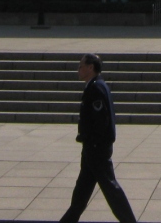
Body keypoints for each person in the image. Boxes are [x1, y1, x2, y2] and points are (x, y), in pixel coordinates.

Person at [59, 53, 138, 223]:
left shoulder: (96, 88)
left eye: (81, 66)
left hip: (96, 149)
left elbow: (101, 120)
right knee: (81, 193)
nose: (78, 69)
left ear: (90, 67)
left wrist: (93, 143)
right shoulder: (96, 85)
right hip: (91, 148)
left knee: (111, 189)